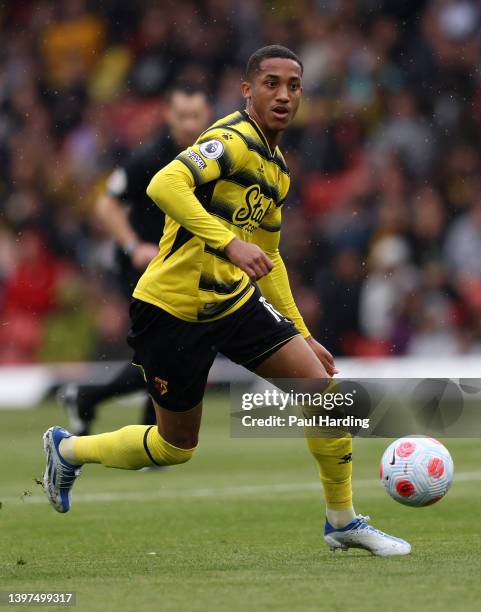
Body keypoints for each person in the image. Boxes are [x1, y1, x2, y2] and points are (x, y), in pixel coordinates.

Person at [43, 45, 410, 556]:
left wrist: (302, 331)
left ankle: (342, 521)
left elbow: (271, 256)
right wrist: (227, 241)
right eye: (271, 83)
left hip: (232, 302)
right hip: (170, 308)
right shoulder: (230, 140)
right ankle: (68, 449)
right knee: (174, 447)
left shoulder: (277, 168)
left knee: (324, 392)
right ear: (247, 90)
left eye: (294, 86)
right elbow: (164, 183)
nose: (284, 95)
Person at [59, 83, 212, 435]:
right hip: (145, 270)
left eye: (196, 116)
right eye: (182, 116)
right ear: (168, 117)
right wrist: (134, 247)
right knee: (167, 351)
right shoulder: (148, 159)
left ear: (208, 117)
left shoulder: (211, 157)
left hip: (183, 269)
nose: (189, 124)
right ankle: (145, 429)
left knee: (169, 353)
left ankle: (91, 400)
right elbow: (105, 204)